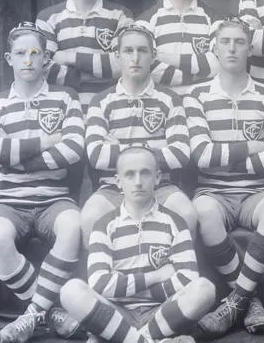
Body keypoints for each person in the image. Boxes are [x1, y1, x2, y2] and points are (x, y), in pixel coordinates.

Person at [0, 22, 86, 343]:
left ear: (46, 60)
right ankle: (51, 311)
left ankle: (33, 313)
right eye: (21, 53)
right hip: (10, 199)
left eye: (35, 53)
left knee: (73, 224)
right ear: (8, 59)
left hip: (54, 198)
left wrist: (18, 155)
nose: (28, 60)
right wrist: (46, 139)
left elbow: (73, 149)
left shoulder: (65, 98)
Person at [184, 18, 264, 338]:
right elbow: (201, 155)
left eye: (239, 42)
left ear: (250, 48)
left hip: (256, 192)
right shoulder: (197, 95)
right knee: (202, 211)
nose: (232, 48)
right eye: (225, 41)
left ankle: (237, 301)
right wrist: (251, 147)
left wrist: (226, 158)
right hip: (213, 192)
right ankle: (249, 298)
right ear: (214, 48)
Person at [60, 146, 216, 343]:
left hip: (161, 312)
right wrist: (157, 276)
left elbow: (187, 278)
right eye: (129, 174)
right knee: (71, 291)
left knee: (204, 289)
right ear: (118, 181)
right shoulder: (104, 225)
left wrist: (135, 292)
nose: (138, 181)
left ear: (158, 177)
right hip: (116, 312)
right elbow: (100, 284)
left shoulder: (174, 223)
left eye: (145, 173)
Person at [80, 23, 196, 249]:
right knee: (89, 218)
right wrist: (156, 147)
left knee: (187, 213)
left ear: (153, 55)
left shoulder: (170, 100)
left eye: (142, 51)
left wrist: (120, 149)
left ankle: (180, 278)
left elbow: (181, 154)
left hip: (160, 186)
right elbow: (96, 156)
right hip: (113, 186)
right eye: (128, 51)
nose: (135, 58)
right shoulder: (100, 102)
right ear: (117, 55)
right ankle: (98, 281)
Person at [36, 0, 133, 110]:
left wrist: (68, 58)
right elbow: (42, 68)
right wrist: (100, 73)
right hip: (64, 113)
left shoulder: (120, 15)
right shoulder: (48, 18)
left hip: (109, 110)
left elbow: (124, 65)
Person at [135, 0, 221, 95]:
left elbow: (218, 66)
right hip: (163, 108)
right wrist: (199, 73)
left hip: (203, 108)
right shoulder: (145, 22)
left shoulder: (215, 19)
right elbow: (145, 68)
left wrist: (162, 57)